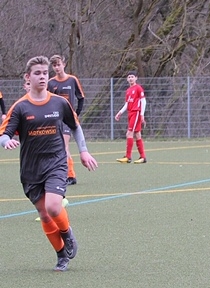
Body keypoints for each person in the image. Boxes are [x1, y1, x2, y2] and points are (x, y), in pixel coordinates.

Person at [0, 56, 98, 271]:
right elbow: (4, 133)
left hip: (56, 162)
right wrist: (6, 142)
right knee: (44, 214)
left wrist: (83, 151)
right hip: (31, 168)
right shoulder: (20, 107)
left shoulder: (59, 102)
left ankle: (67, 233)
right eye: (38, 73)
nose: (43, 77)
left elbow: (75, 126)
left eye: (45, 73)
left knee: (53, 207)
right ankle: (61, 255)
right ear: (28, 77)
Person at [47, 55, 85, 185]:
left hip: (67, 120)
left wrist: (76, 114)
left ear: (64, 64)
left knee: (64, 145)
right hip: (54, 119)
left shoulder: (72, 80)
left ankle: (70, 175)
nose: (57, 68)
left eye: (58, 64)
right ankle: (59, 173)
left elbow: (81, 97)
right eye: (54, 65)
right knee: (56, 147)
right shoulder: (50, 83)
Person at [115, 70, 147, 164]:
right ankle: (143, 157)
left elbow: (143, 101)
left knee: (129, 133)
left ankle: (128, 157)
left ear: (136, 78)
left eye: (132, 77)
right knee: (137, 134)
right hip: (130, 113)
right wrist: (120, 112)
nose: (130, 78)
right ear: (127, 79)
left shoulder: (138, 88)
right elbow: (127, 103)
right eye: (129, 77)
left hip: (136, 112)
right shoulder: (128, 90)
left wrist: (142, 114)